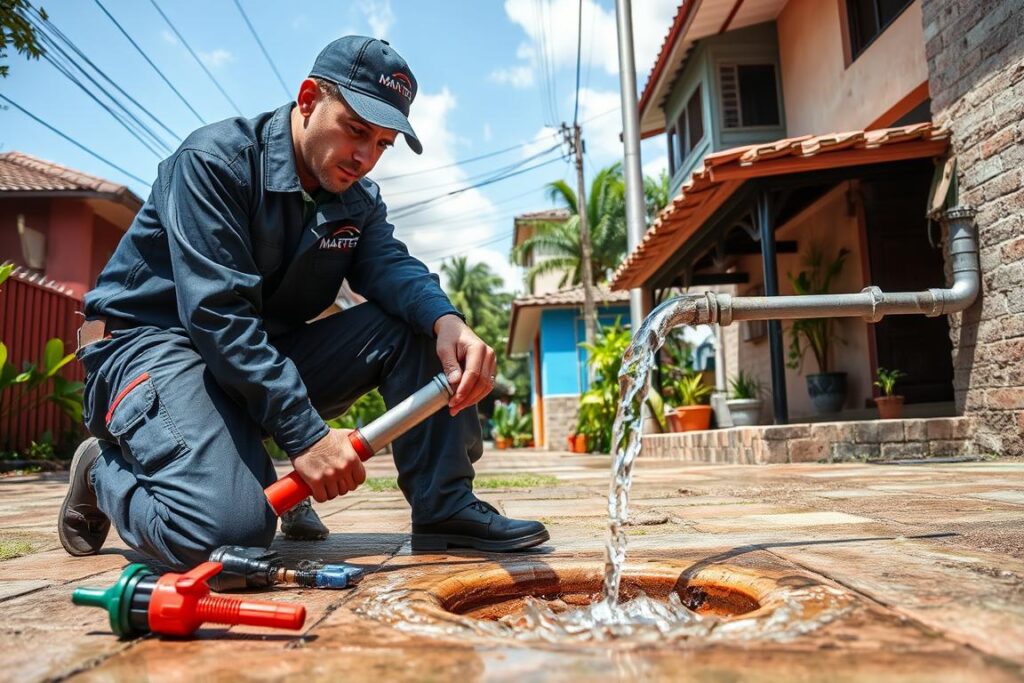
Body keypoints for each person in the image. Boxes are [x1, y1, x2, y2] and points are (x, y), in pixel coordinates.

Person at [58, 36, 548, 570]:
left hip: (247, 358)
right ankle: (102, 468)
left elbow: (390, 267)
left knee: (419, 326)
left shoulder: (356, 203)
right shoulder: (214, 162)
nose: (366, 157)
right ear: (310, 98)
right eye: (357, 130)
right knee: (226, 540)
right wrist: (307, 436)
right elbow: (216, 313)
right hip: (151, 349)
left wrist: (447, 319)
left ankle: (446, 509)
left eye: (382, 143)